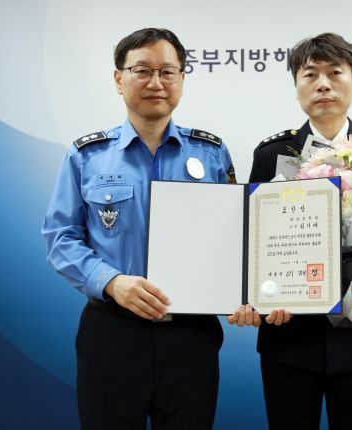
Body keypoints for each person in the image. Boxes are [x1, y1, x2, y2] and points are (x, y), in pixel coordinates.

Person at [229, 33, 352, 429]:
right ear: (296, 87)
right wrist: (254, 297)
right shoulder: (272, 154)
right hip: (289, 339)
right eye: (310, 75)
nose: (323, 84)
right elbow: (254, 240)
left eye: (335, 73)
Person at [42, 28, 236, 430]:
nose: (155, 82)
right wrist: (112, 282)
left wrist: (244, 293)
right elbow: (60, 238)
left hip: (191, 337)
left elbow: (234, 237)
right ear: (119, 79)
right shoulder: (86, 156)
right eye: (142, 70)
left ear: (182, 78)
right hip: (113, 332)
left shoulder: (212, 154)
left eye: (167, 71)